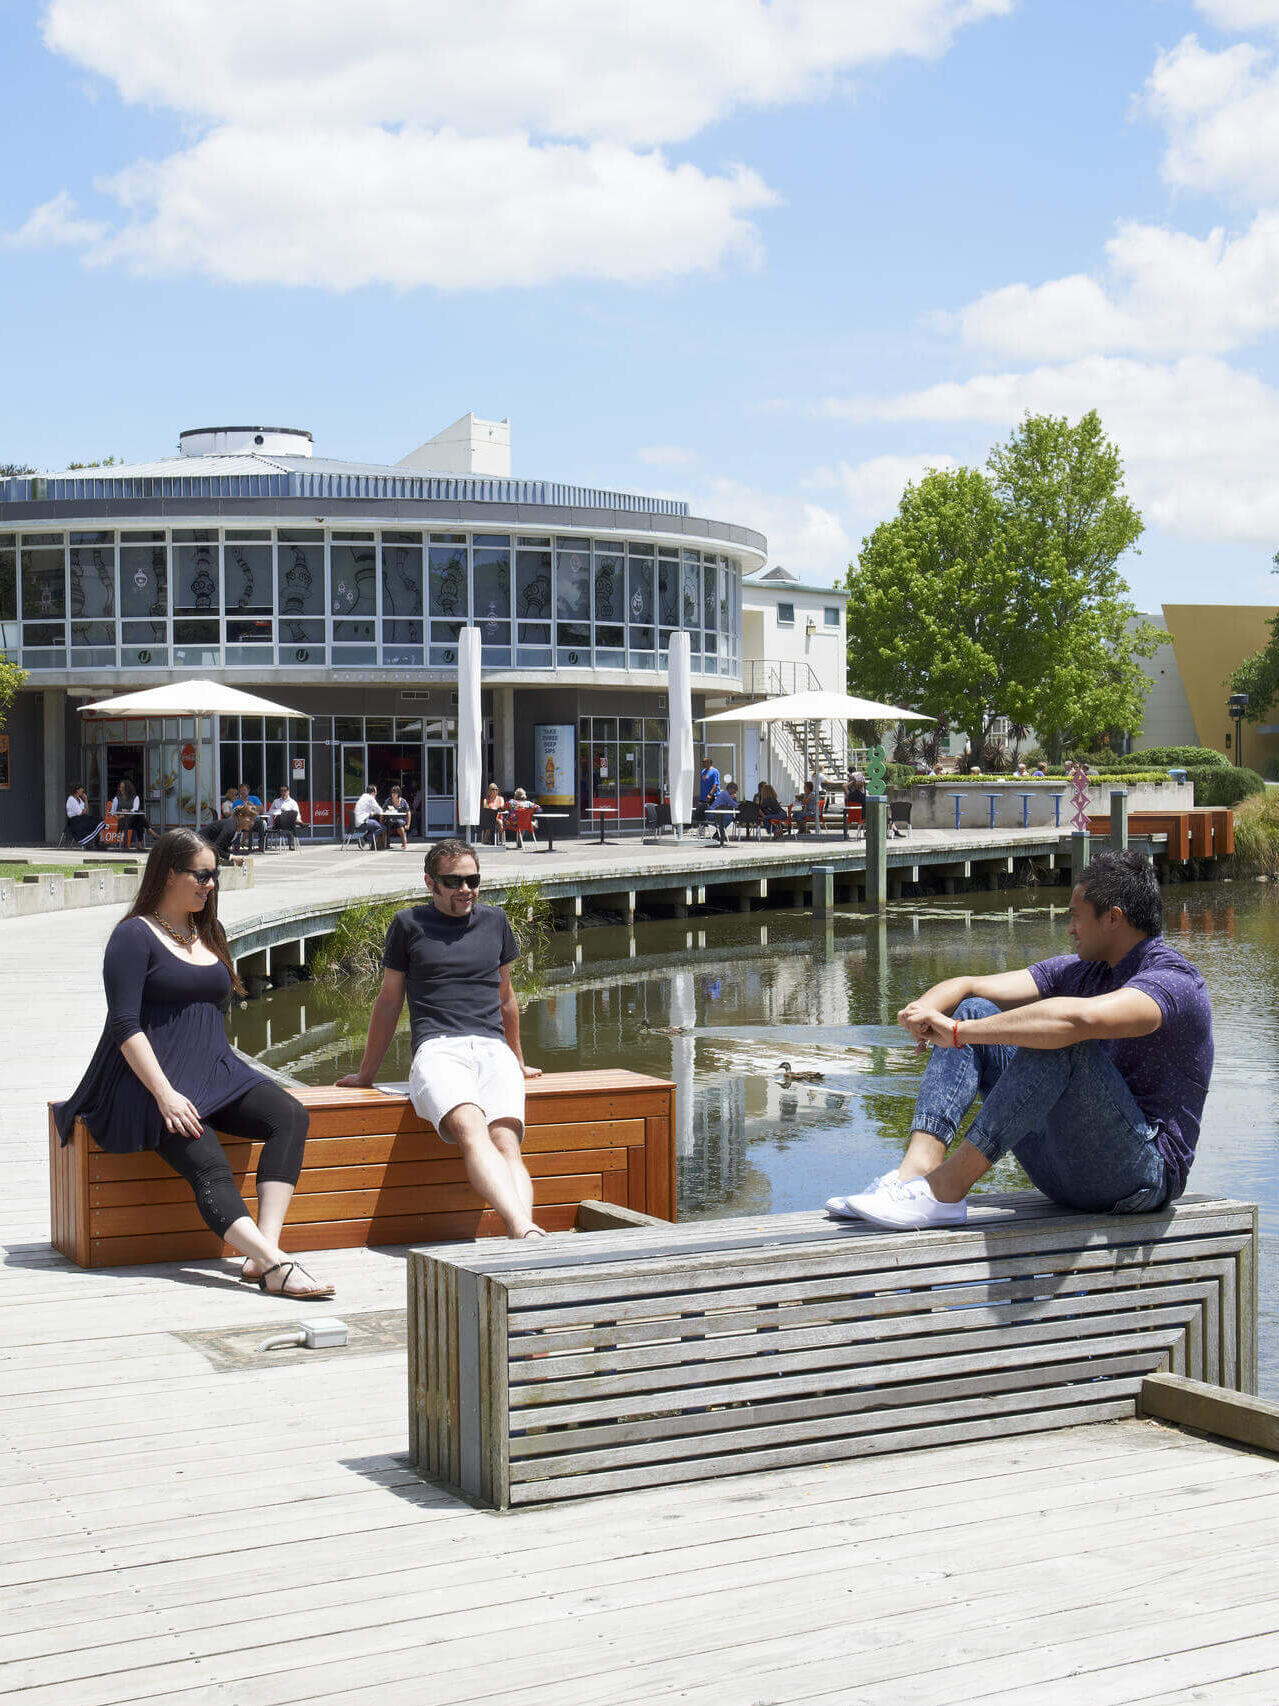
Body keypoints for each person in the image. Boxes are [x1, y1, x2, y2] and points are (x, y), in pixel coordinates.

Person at [826, 850, 1214, 1231]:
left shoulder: (1175, 981)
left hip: (1139, 1179)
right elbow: (970, 987)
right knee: (976, 1008)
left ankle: (945, 1191)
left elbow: (1078, 1019)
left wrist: (959, 1034)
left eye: (1075, 917)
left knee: (1060, 1039)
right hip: (1065, 1170)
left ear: (1113, 918)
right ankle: (914, 1176)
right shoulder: (1083, 971)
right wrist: (923, 1011)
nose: (1070, 929)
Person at [53, 829, 332, 1298]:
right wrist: (164, 1093)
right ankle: (276, 1265)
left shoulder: (209, 932)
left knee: (290, 1114)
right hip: (147, 1083)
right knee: (210, 1166)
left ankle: (262, 1252)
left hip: (214, 1072)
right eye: (201, 875)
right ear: (167, 873)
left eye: (214, 876)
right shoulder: (132, 936)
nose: (210, 885)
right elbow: (124, 1024)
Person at [337, 839, 545, 1239]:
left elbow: (507, 999)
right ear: (430, 882)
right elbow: (389, 1001)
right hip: (439, 1048)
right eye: (453, 881)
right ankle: (522, 1228)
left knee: (506, 1141)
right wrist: (367, 1073)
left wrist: (517, 1059)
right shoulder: (408, 924)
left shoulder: (495, 920)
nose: (465, 889)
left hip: (492, 1048)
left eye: (471, 880)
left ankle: (524, 1233)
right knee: (471, 1129)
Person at [65, 784, 102, 849]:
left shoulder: (79, 799)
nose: (83, 790)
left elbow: (86, 811)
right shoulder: (71, 799)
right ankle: (91, 842)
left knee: (98, 819)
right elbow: (80, 813)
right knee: (91, 821)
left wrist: (86, 800)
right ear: (77, 790)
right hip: (75, 821)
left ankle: (99, 841)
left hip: (82, 818)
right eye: (81, 789)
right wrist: (83, 810)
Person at [266, 785, 302, 851]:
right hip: (278, 822)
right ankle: (299, 824)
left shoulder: (293, 802)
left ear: (288, 792)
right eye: (281, 791)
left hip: (288, 823)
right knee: (286, 818)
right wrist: (270, 824)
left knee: (291, 820)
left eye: (285, 791)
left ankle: (291, 844)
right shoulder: (276, 801)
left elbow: (297, 814)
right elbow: (270, 813)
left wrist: (298, 819)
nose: (283, 792)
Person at [352, 781, 384, 850]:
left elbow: (364, 809)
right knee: (382, 827)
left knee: (375, 825)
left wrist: (370, 812)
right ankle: (364, 839)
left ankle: (368, 842)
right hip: (363, 823)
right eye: (376, 792)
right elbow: (379, 810)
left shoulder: (363, 796)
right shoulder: (371, 798)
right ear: (372, 793)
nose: (376, 793)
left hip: (357, 822)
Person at [708, 779, 739, 846]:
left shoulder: (724, 793)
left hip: (716, 813)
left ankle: (718, 833)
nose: (734, 793)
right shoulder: (725, 794)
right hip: (712, 814)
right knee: (729, 818)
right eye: (734, 791)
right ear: (731, 789)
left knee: (729, 818)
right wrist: (734, 798)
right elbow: (735, 805)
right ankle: (720, 834)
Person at [382, 785, 411, 850]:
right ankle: (384, 844)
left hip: (401, 819)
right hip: (390, 819)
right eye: (392, 793)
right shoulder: (388, 800)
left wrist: (408, 824)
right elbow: (382, 810)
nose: (393, 794)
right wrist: (381, 821)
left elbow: (408, 812)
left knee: (399, 825)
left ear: (398, 793)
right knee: (384, 826)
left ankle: (404, 843)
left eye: (395, 793)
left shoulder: (403, 801)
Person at [696, 757, 720, 836]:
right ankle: (701, 831)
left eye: (704, 762)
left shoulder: (714, 771)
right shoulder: (703, 771)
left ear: (709, 763)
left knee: (713, 814)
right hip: (703, 797)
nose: (703, 763)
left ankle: (718, 831)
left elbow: (715, 784)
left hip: (712, 797)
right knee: (700, 813)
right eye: (702, 761)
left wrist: (710, 794)